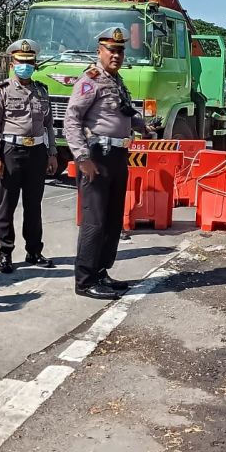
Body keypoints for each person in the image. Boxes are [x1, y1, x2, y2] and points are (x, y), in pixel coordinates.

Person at [63, 27, 155, 299]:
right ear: (99, 51)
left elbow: (125, 113)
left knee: (113, 219)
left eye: (120, 50)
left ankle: (101, 271)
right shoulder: (90, 81)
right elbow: (72, 120)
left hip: (117, 156)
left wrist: (144, 126)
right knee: (95, 221)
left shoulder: (116, 81)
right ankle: (85, 280)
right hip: (97, 157)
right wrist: (82, 158)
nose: (116, 55)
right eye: (110, 50)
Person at [0, 38, 59, 273]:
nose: (25, 66)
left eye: (29, 62)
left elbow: (48, 125)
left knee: (33, 205)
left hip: (37, 152)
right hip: (11, 151)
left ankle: (34, 251)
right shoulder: (1, 90)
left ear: (35, 64)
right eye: (21, 61)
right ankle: (5, 252)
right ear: (12, 62)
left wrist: (52, 153)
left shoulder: (41, 90)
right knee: (7, 204)